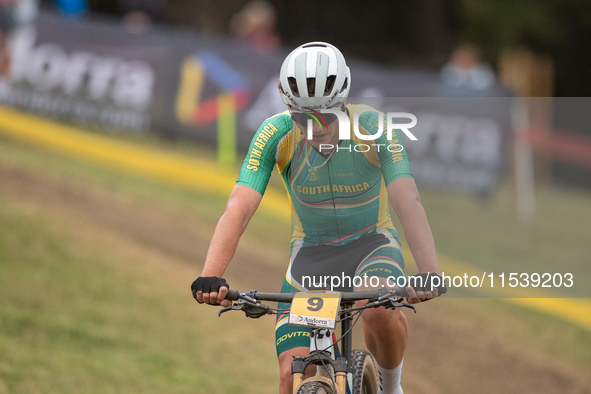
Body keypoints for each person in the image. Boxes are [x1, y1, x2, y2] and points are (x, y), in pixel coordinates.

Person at [192, 42, 445, 394]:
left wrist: (429, 271)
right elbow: (240, 206)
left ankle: (391, 388)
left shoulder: (374, 127)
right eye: (303, 118)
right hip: (310, 257)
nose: (317, 127)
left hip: (372, 247)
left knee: (375, 309)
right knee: (290, 373)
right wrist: (211, 274)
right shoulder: (275, 134)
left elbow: (407, 200)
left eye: (329, 116)